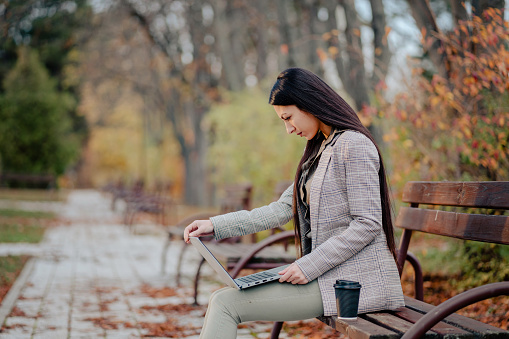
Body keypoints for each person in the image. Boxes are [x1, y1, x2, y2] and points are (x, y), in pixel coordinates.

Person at [183, 67, 405, 338]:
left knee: (225, 304)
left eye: (289, 117)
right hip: (328, 277)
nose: (288, 129)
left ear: (309, 104)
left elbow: (368, 224)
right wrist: (214, 225)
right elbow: (278, 211)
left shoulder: (354, 145)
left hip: (354, 284)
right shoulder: (319, 151)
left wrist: (307, 265)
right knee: (223, 296)